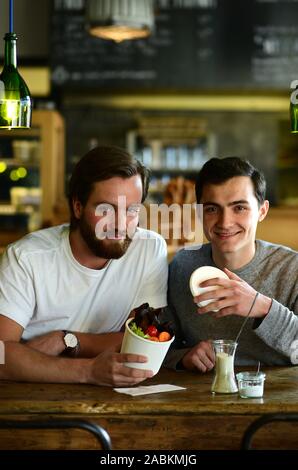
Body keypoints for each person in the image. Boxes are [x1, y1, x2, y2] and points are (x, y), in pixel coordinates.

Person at [0, 146, 168, 386]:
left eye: (131, 210)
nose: (121, 225)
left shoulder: (149, 249)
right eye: (106, 210)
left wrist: (66, 340)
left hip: (113, 400)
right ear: (78, 206)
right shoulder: (27, 257)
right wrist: (88, 371)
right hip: (26, 395)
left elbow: (141, 344)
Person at [161, 156, 298, 372]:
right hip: (200, 400)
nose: (225, 223)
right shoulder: (182, 265)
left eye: (239, 208)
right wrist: (183, 356)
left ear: (262, 211)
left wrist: (261, 307)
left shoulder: (291, 269)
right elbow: (157, 345)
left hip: (280, 400)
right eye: (212, 209)